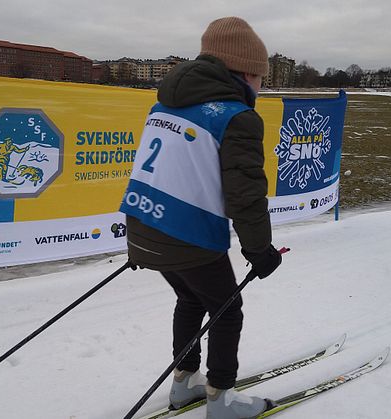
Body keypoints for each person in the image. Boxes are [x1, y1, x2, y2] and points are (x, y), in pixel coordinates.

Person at [119, 16, 282, 418]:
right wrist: (260, 251)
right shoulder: (236, 115)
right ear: (245, 72)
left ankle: (184, 383)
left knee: (190, 298)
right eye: (261, 77)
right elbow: (245, 196)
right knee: (228, 310)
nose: (261, 86)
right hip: (185, 234)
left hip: (142, 226)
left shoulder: (165, 102)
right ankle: (221, 400)